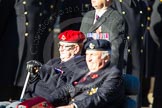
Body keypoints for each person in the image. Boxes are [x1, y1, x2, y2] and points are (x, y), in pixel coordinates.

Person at [21, 39, 124, 108]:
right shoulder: (86, 72)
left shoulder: (113, 74)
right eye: (87, 54)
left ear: (106, 58)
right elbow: (67, 89)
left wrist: (74, 106)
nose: (89, 59)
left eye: (93, 55)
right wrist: (45, 102)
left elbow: (100, 97)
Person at [0, 30, 88, 108]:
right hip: (27, 100)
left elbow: (62, 90)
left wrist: (43, 70)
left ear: (76, 49)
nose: (60, 49)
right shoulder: (54, 61)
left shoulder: (81, 67)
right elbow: (34, 83)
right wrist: (34, 75)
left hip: (43, 104)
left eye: (65, 47)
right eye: (60, 45)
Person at [80, 0, 126, 72]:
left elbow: (114, 51)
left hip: (103, 70)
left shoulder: (116, 18)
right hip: (85, 68)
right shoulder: (87, 16)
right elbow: (81, 44)